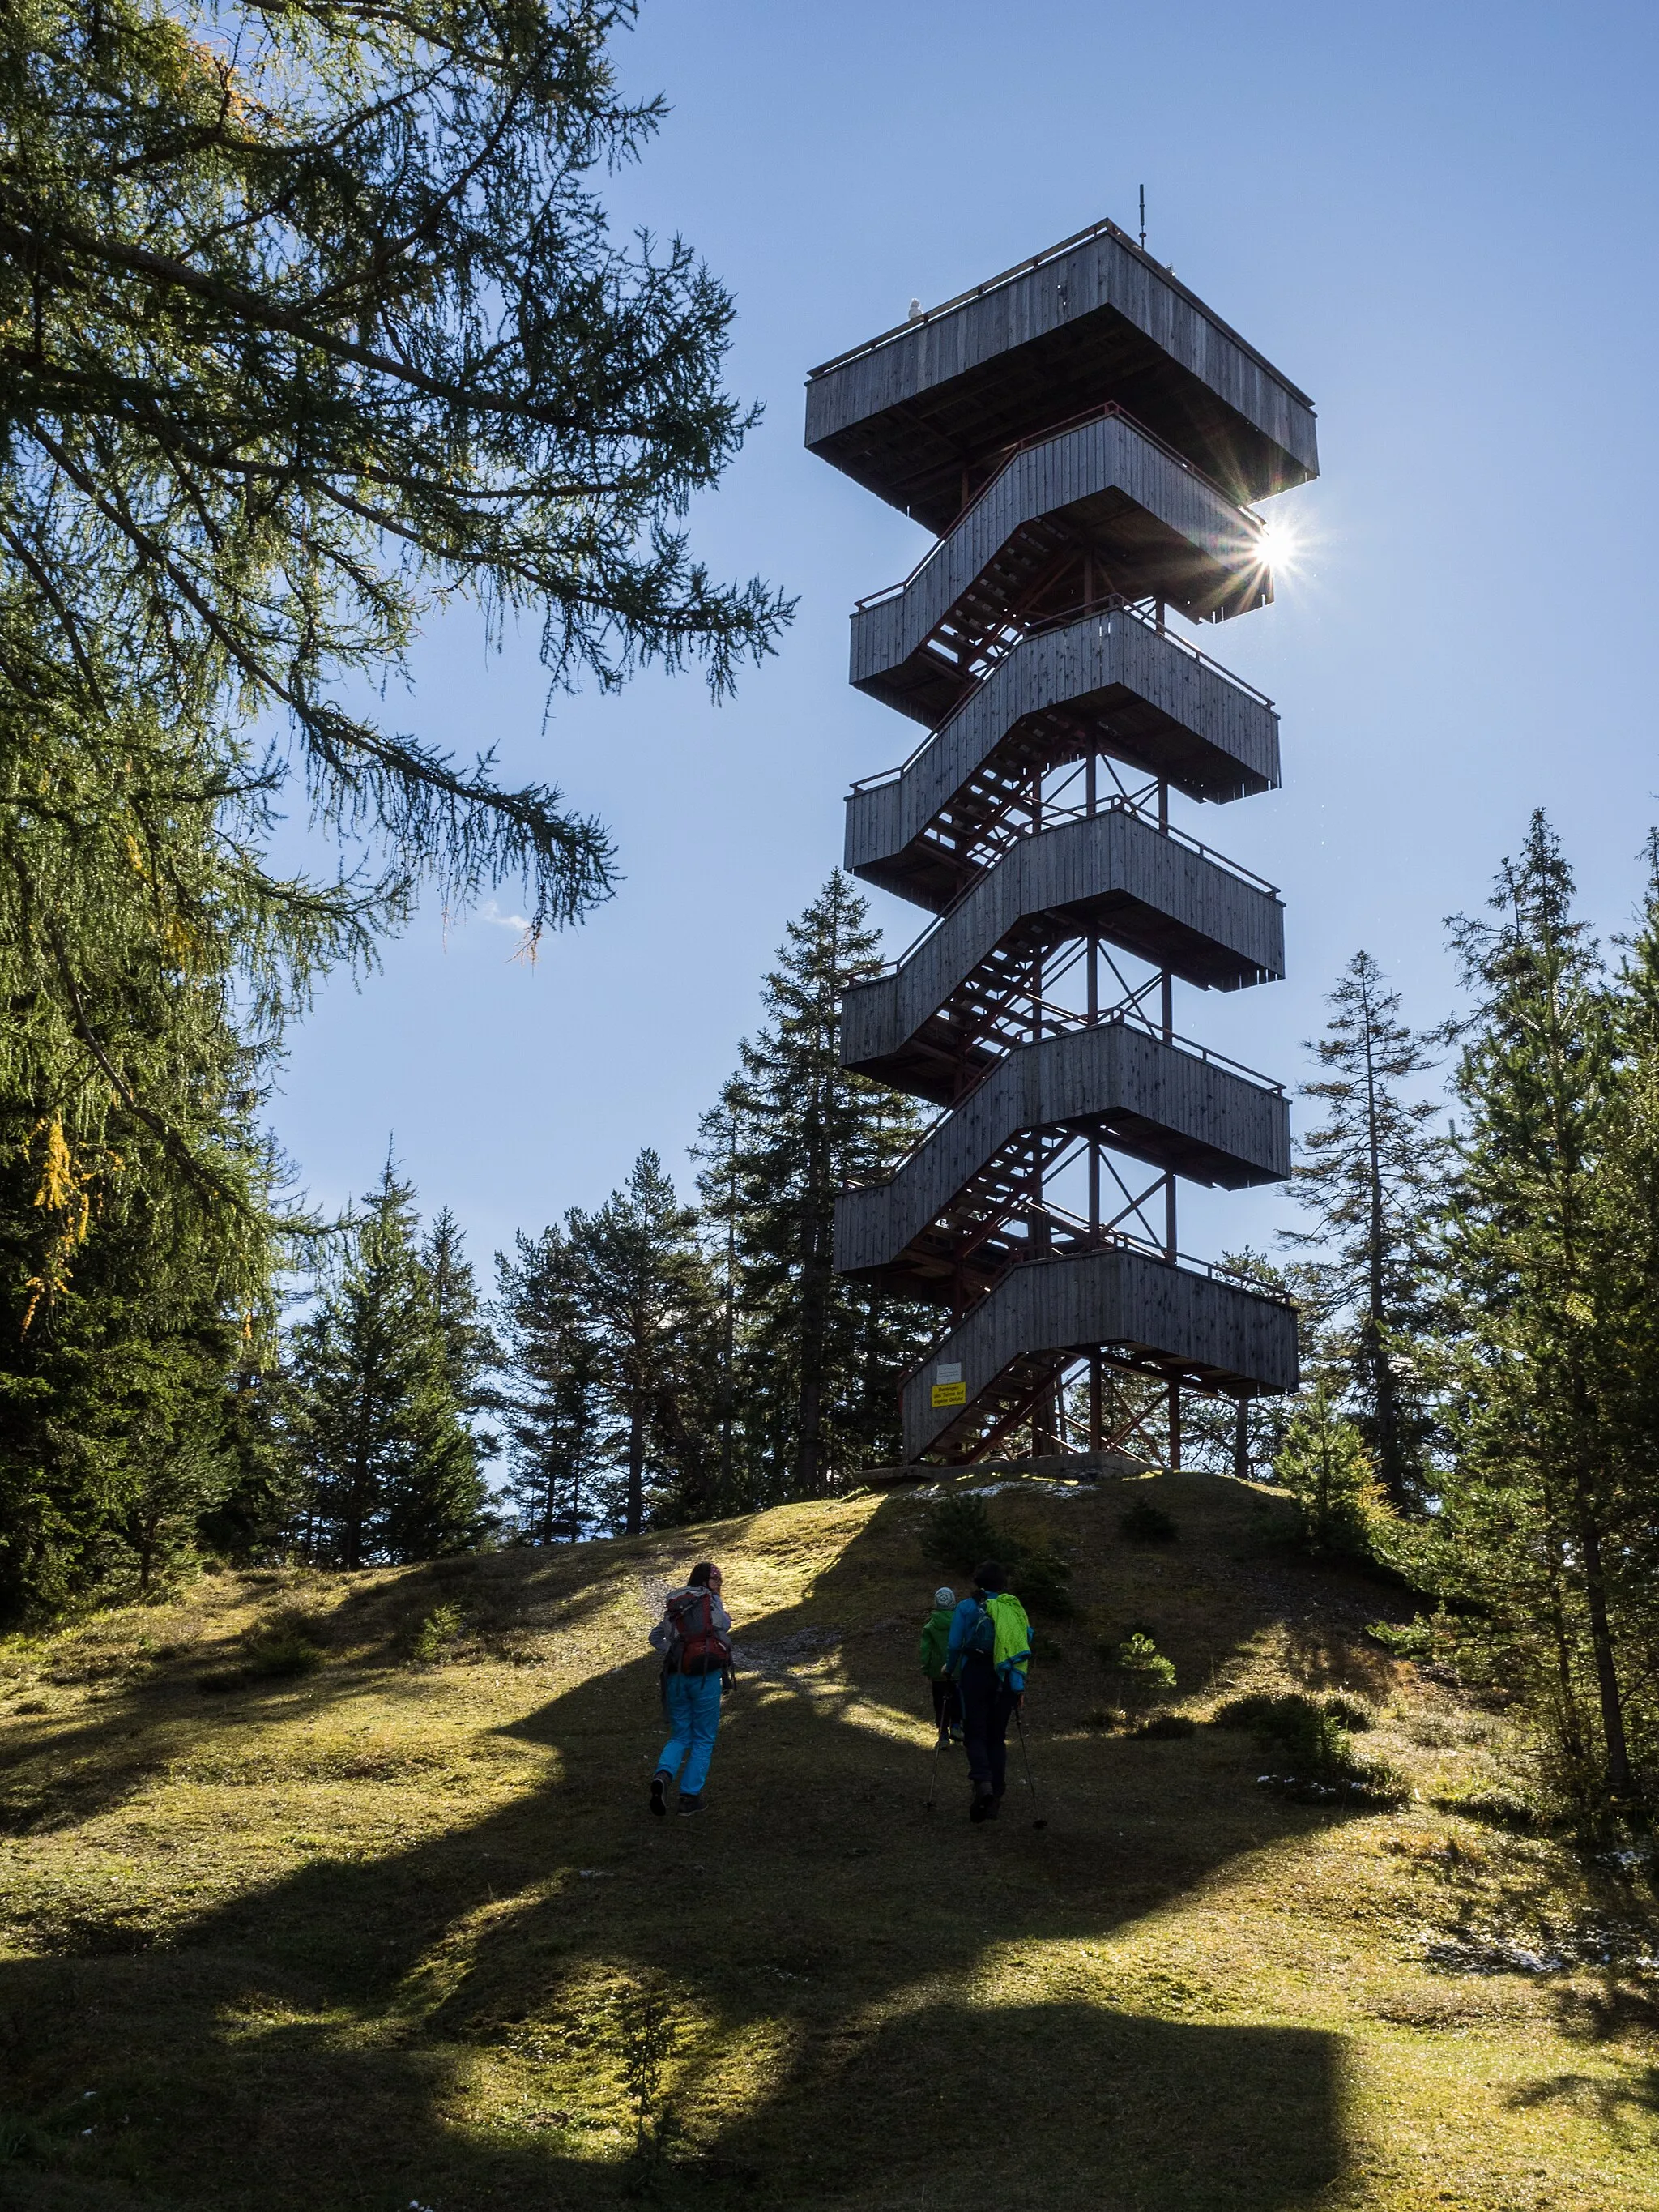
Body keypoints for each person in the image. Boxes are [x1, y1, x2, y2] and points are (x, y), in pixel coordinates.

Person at [946, 1561, 1033, 1823]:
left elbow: (953, 1644)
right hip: (1004, 1676)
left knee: (975, 1733)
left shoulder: (966, 1607)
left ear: (977, 1582)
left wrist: (950, 1669)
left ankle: (982, 1781)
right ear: (1002, 1584)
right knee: (996, 1736)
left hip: (976, 1673)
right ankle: (995, 1792)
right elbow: (1025, 1639)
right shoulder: (1013, 1608)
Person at [647, 1561, 732, 1818]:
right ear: (707, 1580)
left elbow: (655, 1636)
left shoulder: (676, 1601)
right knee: (704, 1738)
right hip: (704, 1674)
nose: (720, 1586)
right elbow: (724, 1625)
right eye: (718, 1581)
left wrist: (673, 1650)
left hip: (675, 1676)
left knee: (680, 1735)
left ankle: (663, 1776)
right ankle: (689, 1798)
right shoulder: (710, 1600)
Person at [919, 1585, 962, 1744]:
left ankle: (943, 1733)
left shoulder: (930, 1626)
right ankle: (957, 1726)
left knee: (940, 1702)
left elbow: (926, 1650)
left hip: (938, 1672)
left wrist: (925, 1667)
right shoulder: (960, 1623)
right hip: (957, 1669)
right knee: (957, 1698)